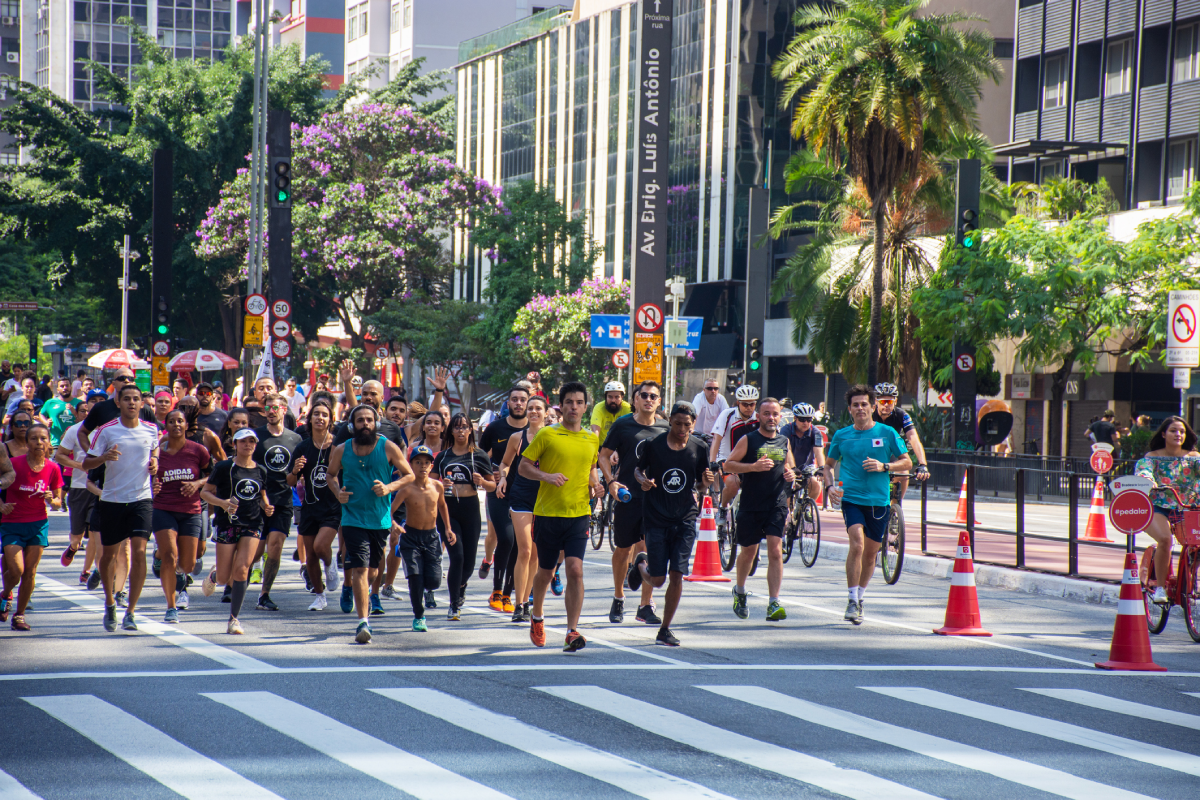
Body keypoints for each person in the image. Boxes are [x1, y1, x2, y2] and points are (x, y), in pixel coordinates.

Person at [518, 381, 601, 652]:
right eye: (569, 402)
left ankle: (571, 630)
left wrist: (596, 484)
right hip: (548, 513)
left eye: (579, 402)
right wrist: (546, 476)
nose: (574, 407)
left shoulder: (591, 438)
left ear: (585, 407)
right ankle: (538, 616)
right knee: (545, 570)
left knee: (575, 570)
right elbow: (524, 467)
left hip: (579, 513)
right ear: (561, 405)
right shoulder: (547, 435)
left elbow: (590, 468)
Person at [628, 401, 714, 646]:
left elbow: (698, 485)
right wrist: (643, 481)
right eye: (677, 424)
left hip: (685, 517)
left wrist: (706, 483)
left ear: (693, 423)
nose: (682, 429)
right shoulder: (654, 445)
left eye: (687, 424)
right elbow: (638, 470)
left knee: (677, 574)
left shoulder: (699, 446)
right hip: (656, 517)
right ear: (670, 423)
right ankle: (640, 566)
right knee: (658, 580)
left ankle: (665, 629)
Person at [826, 384, 912, 625]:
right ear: (850, 409)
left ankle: (861, 597)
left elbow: (906, 463)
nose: (860, 408)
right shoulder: (842, 435)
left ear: (873, 407)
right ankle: (852, 599)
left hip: (879, 501)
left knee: (871, 553)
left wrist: (885, 466)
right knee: (857, 544)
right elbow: (828, 466)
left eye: (865, 404)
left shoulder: (887, 433)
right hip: (852, 499)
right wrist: (830, 487)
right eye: (856, 405)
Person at [328, 404, 412, 643]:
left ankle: (357, 590)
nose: (365, 424)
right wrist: (337, 492)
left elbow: (409, 475)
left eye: (369, 420)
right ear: (352, 425)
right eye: (360, 420)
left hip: (380, 519)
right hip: (352, 517)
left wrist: (388, 488)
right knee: (360, 570)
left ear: (376, 422)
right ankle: (363, 622)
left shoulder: (388, 447)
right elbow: (330, 475)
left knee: (374, 572)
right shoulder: (342, 450)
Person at [80, 384, 160, 633]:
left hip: (141, 499)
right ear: (119, 402)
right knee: (108, 557)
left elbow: (154, 448)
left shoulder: (151, 429)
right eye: (127, 399)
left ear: (142, 403)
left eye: (136, 399)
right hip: (113, 499)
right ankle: (110, 601)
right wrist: (103, 458)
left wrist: (155, 460)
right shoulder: (106, 431)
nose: (132, 403)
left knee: (139, 552)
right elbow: (86, 463)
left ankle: (132, 611)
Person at [598, 380, 667, 625]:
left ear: (659, 401)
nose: (649, 399)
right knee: (623, 550)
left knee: (649, 551)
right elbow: (604, 455)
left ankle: (645, 606)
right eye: (644, 395)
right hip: (627, 496)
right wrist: (610, 482)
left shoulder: (665, 428)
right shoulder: (622, 424)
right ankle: (618, 596)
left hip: (655, 500)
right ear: (635, 400)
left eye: (653, 396)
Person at [725, 397, 795, 622]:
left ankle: (774, 601)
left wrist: (791, 474)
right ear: (758, 416)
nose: (771, 418)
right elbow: (728, 464)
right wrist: (753, 467)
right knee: (749, 552)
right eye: (766, 413)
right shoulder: (749, 439)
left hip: (776, 504)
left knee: (775, 551)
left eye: (775, 414)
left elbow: (789, 466)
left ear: (780, 416)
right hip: (751, 504)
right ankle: (740, 590)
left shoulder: (784, 440)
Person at [200, 428, 273, 634]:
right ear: (235, 444)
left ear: (255, 445)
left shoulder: (260, 470)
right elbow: (205, 493)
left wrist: (267, 506)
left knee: (242, 569)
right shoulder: (224, 467)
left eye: (251, 441)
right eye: (243, 441)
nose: (247, 445)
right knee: (225, 578)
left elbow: (262, 495)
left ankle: (234, 620)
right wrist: (222, 503)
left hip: (252, 524)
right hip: (227, 523)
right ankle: (215, 576)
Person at [151, 408, 212, 622]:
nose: (176, 425)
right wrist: (153, 485)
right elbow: (145, 475)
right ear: (165, 426)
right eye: (172, 421)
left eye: (180, 421)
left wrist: (197, 483)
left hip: (191, 510)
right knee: (170, 556)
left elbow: (211, 474)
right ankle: (171, 607)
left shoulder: (198, 450)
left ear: (186, 426)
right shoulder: (158, 451)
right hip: (163, 508)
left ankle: (158, 556)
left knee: (188, 565)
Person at [0, 422, 62, 630]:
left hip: (38, 524)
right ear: (26, 442)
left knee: (30, 573)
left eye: (43, 438)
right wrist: (1, 506)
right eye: (33, 438)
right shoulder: (13, 464)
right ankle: (5, 594)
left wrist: (51, 499)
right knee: (16, 569)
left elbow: (58, 502)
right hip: (12, 523)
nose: (38, 442)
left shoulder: (53, 468)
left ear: (48, 443)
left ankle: (19, 615)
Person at [434, 413, 495, 619]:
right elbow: (429, 483)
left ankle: (461, 584)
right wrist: (441, 484)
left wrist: (483, 483)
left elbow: (492, 485)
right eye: (457, 427)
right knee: (457, 557)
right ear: (451, 430)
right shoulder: (443, 456)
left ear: (471, 430)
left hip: (470, 509)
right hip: (447, 510)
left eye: (465, 427)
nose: (461, 431)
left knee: (468, 563)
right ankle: (453, 604)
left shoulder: (479, 455)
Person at [1135, 416, 1200, 604]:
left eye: (1181, 431)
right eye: (1173, 430)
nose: (1178, 434)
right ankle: (1161, 588)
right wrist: (1147, 479)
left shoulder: (1194, 458)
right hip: (1158, 508)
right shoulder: (1153, 457)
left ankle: (1188, 579)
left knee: (1195, 546)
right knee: (1165, 539)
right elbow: (1144, 470)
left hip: (1187, 508)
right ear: (1163, 434)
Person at [477, 385, 530, 611]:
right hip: (499, 492)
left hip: (526, 493)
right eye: (514, 400)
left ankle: (508, 594)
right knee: (506, 539)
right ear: (508, 403)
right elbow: (478, 456)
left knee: (519, 544)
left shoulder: (537, 431)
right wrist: (492, 472)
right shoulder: (495, 428)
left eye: (522, 400)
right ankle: (496, 591)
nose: (518, 403)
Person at [249, 392, 303, 611]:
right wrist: (259, 498)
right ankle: (229, 578)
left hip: (282, 500)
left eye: (275, 407)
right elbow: (248, 469)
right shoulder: (256, 436)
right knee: (253, 552)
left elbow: (296, 473)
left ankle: (264, 594)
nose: (271, 411)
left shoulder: (295, 439)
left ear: (284, 409)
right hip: (256, 501)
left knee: (276, 547)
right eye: (267, 407)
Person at [496, 395, 548, 623]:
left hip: (546, 497)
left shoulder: (554, 436)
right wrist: (502, 479)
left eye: (538, 408)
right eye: (531, 408)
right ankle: (518, 604)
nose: (534, 411)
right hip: (521, 496)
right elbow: (505, 463)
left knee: (536, 553)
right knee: (525, 550)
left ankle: (526, 601)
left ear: (546, 412)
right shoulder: (517, 437)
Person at [391, 445, 453, 631]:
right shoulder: (406, 488)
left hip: (432, 537)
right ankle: (419, 616)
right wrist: (394, 525)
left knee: (433, 581)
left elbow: (442, 506)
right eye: (418, 462)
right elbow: (390, 511)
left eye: (427, 463)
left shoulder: (438, 486)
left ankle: (427, 588)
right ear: (411, 465)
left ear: (432, 466)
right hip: (411, 537)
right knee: (415, 579)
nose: (423, 466)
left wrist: (448, 529)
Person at [288, 400, 342, 610]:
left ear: (331, 420)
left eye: (325, 415)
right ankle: (320, 596)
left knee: (321, 546)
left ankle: (330, 564)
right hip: (310, 505)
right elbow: (290, 482)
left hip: (332, 506)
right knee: (310, 555)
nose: (320, 418)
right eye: (316, 414)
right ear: (309, 419)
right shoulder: (302, 447)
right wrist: (295, 470)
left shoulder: (338, 446)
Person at [56, 392, 105, 577]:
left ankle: (89, 571)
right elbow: (60, 456)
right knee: (77, 535)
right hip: (78, 487)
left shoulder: (110, 429)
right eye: (92, 401)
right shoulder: (74, 430)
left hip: (100, 487)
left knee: (95, 532)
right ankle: (73, 547)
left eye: (101, 401)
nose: (96, 405)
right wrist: (81, 465)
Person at [872, 383, 929, 496]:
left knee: (903, 471)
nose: (886, 405)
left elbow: (914, 439)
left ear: (896, 401)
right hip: (871, 451)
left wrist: (923, 464)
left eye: (890, 402)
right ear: (876, 401)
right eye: (883, 402)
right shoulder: (869, 414)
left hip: (891, 451)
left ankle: (896, 504)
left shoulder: (901, 415)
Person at [709, 385, 759, 510]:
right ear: (738, 403)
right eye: (745, 404)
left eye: (752, 404)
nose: (748, 408)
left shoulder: (759, 418)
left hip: (750, 462)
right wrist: (713, 461)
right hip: (727, 460)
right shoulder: (727, 415)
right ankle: (723, 508)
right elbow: (717, 438)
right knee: (733, 484)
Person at [780, 402, 826, 500]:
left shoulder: (815, 432)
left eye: (809, 419)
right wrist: (793, 467)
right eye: (802, 419)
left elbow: (819, 451)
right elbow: (787, 449)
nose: (805, 423)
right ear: (795, 419)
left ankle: (807, 508)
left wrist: (822, 468)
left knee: (816, 484)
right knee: (785, 500)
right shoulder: (786, 430)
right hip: (788, 467)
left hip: (806, 468)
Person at [41, 377, 80, 450]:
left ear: (71, 387)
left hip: (75, 444)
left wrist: (74, 411)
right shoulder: (50, 403)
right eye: (62, 386)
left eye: (67, 386)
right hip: (56, 444)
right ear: (58, 389)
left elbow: (84, 419)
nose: (65, 388)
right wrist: (45, 422)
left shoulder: (79, 403)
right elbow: (41, 414)